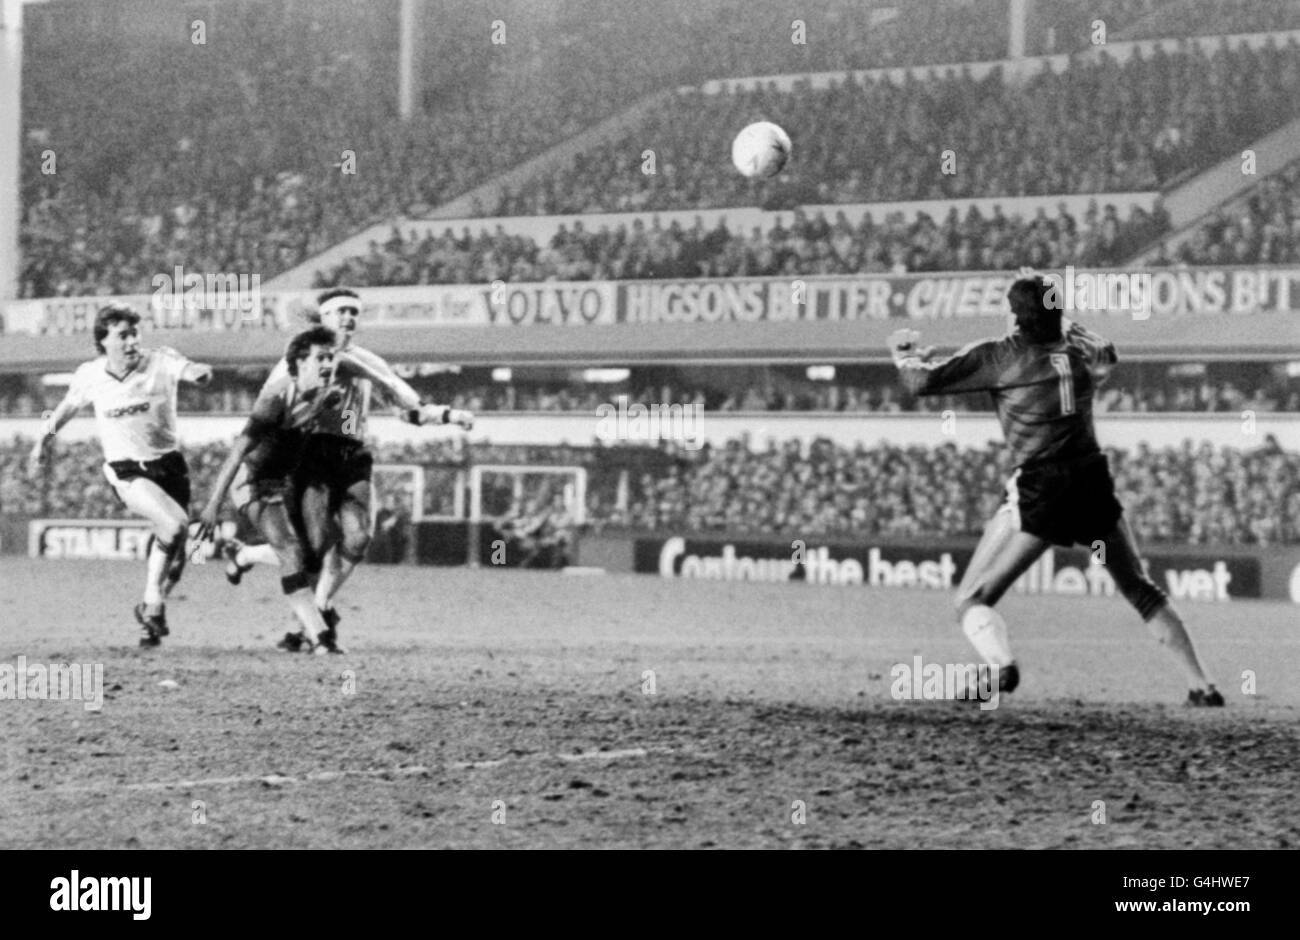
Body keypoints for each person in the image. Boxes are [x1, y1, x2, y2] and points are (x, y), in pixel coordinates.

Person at [888, 273, 1223, 706]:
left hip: (1044, 488)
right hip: (1092, 481)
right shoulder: (1081, 352)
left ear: (1013, 317)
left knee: (972, 599)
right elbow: (1102, 360)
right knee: (1139, 588)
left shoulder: (999, 355)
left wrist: (904, 355)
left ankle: (1000, 668)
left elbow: (920, 384)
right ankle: (1203, 686)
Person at [226, 288, 473, 651]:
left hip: (351, 452)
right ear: (323, 318)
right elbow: (271, 409)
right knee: (311, 548)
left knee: (358, 537)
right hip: (308, 454)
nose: (347, 318)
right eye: (339, 311)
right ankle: (250, 560)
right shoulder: (299, 360)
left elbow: (405, 405)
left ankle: (319, 609)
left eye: (353, 312)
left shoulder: (368, 362)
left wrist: (447, 415)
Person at [29, 303, 213, 647]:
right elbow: (66, 408)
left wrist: (200, 372)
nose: (131, 342)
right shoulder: (90, 375)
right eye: (122, 336)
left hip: (170, 466)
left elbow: (189, 369)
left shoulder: (160, 360)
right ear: (104, 341)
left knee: (176, 555)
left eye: (134, 334)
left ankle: (149, 613)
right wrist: (42, 440)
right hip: (125, 470)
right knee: (174, 526)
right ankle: (153, 604)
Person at [194, 326, 345, 652]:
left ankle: (243, 553)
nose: (329, 364)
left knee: (311, 552)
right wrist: (213, 505)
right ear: (300, 363)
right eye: (321, 358)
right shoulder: (274, 398)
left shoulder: (326, 393)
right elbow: (238, 451)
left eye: (331, 357)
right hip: (251, 483)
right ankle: (320, 637)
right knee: (290, 550)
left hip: (283, 480)